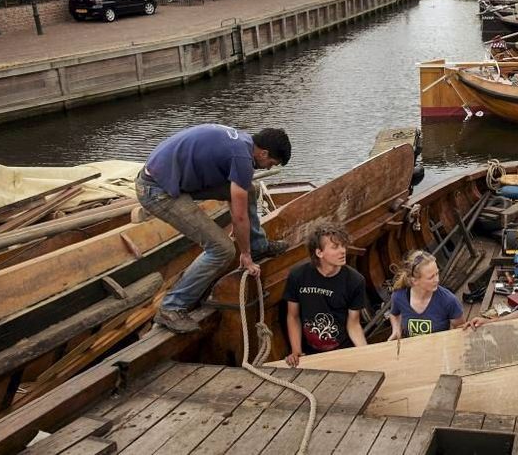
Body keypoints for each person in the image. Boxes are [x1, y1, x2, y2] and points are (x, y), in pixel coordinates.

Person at [136, 125, 292, 333]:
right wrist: (243, 255)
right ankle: (172, 307)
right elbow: (238, 216)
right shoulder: (242, 158)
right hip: (156, 190)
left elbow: (239, 197)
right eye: (270, 163)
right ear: (263, 152)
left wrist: (247, 246)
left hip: (169, 177)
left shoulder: (244, 143)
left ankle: (258, 245)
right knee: (222, 249)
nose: (268, 168)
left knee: (249, 190)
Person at [284, 221, 368, 365]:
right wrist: (296, 351)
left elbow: (353, 324)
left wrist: (366, 353)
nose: (343, 251)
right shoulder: (298, 275)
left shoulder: (355, 281)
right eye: (335, 247)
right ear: (319, 252)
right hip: (310, 352)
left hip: (342, 350)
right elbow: (293, 316)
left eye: (343, 246)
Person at [387, 250, 465, 340]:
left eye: (437, 274)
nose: (437, 280)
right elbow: (394, 314)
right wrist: (396, 330)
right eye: (431, 277)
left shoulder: (449, 300)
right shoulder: (398, 297)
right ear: (414, 280)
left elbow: (461, 329)